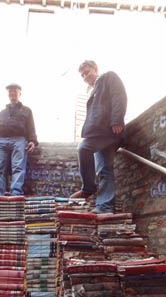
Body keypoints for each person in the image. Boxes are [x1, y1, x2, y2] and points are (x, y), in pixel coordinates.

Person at [70, 60, 127, 214]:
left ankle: (88, 188)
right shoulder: (93, 89)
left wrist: (117, 120)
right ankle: (105, 206)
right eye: (82, 75)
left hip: (108, 130)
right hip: (98, 133)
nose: (85, 77)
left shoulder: (108, 77)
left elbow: (119, 96)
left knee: (83, 148)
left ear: (96, 68)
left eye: (87, 72)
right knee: (105, 169)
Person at [0, 83, 38, 196]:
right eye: (10, 92)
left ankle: (15, 193)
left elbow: (31, 128)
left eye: (15, 91)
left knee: (18, 167)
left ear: (19, 94)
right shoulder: (2, 113)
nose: (12, 94)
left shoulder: (27, 110)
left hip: (19, 140)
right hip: (2, 141)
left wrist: (32, 141)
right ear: (8, 95)